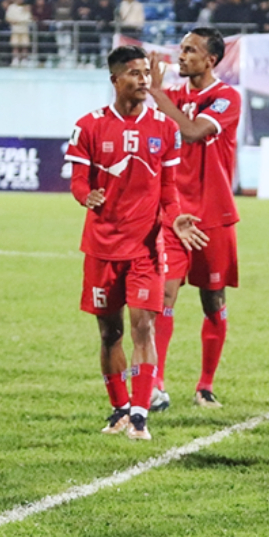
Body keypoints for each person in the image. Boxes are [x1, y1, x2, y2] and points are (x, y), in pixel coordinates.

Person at [65, 45, 201, 441]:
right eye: (134, 74)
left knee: (144, 327)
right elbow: (77, 180)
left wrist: (175, 217)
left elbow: (169, 191)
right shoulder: (88, 126)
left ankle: (140, 415)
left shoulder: (165, 129)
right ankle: (119, 408)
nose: (143, 80)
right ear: (115, 80)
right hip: (102, 247)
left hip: (145, 248)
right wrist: (84, 195)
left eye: (145, 73)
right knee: (110, 334)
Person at [147, 28, 239, 408]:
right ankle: (156, 385)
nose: (181, 56)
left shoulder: (226, 97)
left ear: (211, 60)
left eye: (190, 50)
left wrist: (156, 94)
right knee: (164, 295)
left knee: (212, 301)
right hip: (173, 213)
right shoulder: (172, 97)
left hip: (213, 217)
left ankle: (205, 386)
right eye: (181, 49)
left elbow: (193, 132)